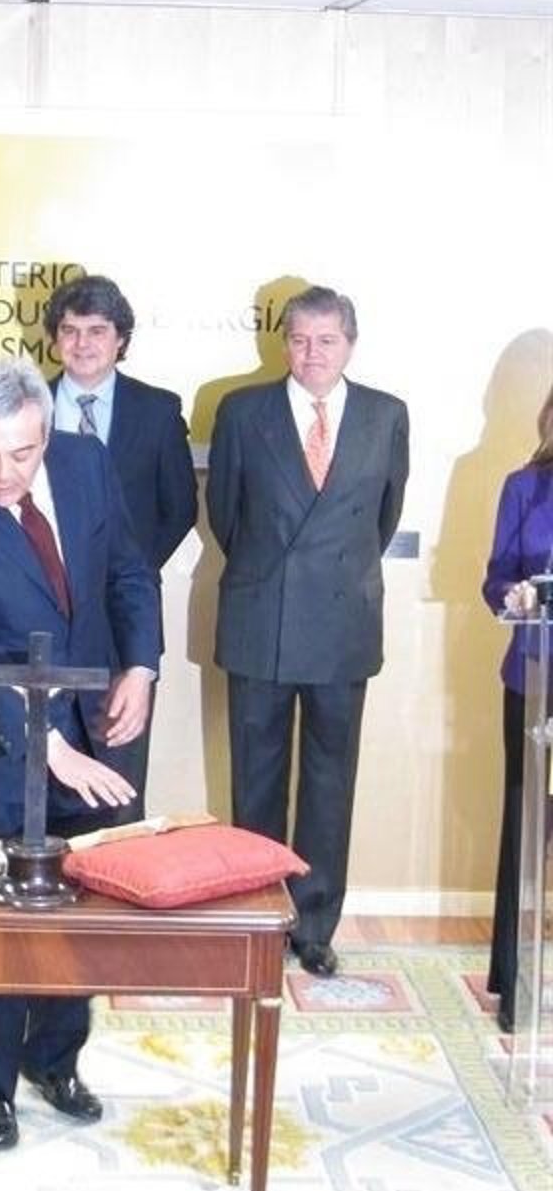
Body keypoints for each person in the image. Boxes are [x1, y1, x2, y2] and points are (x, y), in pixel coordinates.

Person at [0, 357, 161, 1150]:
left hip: (93, 728)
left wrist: (141, 667)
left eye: (21, 452)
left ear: (46, 433)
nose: (4, 472)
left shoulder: (86, 464)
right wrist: (48, 748)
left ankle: (56, 1060)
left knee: (79, 914)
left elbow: (129, 570)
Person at [206, 285, 409, 978]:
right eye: (298, 340)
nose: (312, 353)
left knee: (330, 782)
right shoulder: (242, 412)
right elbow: (227, 517)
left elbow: (382, 518)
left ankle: (316, 926)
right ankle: (258, 914)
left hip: (344, 625)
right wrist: (272, 576)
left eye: (326, 340)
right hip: (260, 617)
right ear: (283, 343)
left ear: (350, 343)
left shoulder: (386, 415)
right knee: (256, 780)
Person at [43, 273, 197, 806]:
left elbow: (179, 508)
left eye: (97, 331)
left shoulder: (157, 411)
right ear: (54, 339)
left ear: (121, 339)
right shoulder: (25, 406)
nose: (82, 344)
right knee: (38, 779)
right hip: (37, 617)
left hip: (123, 627)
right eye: (70, 330)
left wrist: (121, 574)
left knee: (116, 788)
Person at [480, 384, 553, 1033]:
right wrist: (516, 595)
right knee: (525, 822)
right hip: (534, 675)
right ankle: (513, 977)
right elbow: (495, 578)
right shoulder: (524, 487)